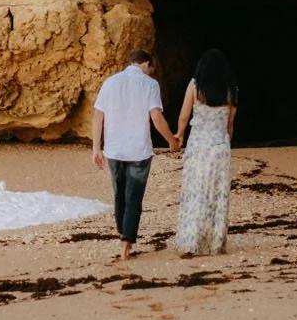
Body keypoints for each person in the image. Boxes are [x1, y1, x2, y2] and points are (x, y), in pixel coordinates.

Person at [91, 49, 175, 259]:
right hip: (138, 151)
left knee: (119, 195)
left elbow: (98, 116)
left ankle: (123, 234)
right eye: (150, 68)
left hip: (114, 149)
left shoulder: (110, 82)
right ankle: (126, 243)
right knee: (133, 198)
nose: (150, 72)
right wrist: (171, 140)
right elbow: (156, 117)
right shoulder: (150, 84)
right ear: (146, 64)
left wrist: (96, 148)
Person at [171, 49, 237, 256]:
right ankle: (214, 243)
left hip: (198, 146)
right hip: (220, 147)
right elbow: (230, 125)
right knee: (217, 194)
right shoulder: (231, 89)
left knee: (195, 191)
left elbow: (184, 115)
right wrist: (226, 141)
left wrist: (179, 135)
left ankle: (191, 240)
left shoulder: (195, 85)